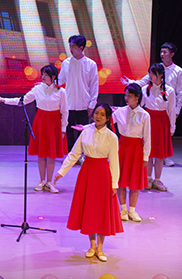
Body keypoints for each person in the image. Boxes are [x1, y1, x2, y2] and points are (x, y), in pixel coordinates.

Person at [54, 103, 122, 263]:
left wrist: (114, 183)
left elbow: (114, 162)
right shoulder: (86, 132)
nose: (98, 117)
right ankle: (92, 246)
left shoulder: (112, 137)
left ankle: (100, 247)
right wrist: (62, 171)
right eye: (96, 113)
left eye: (102, 114)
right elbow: (74, 154)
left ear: (107, 118)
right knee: (90, 210)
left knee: (102, 211)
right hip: (87, 173)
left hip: (103, 175)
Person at [0, 64, 68, 193]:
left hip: (54, 124)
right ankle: (41, 181)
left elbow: (65, 111)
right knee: (41, 153)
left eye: (46, 75)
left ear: (53, 76)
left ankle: (49, 182)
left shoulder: (61, 92)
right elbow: (22, 101)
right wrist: (3, 100)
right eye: (42, 74)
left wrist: (63, 129)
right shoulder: (37, 89)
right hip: (41, 123)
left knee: (51, 154)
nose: (43, 77)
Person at [122, 42, 182, 166]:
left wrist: (177, 109)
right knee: (151, 133)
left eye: (165, 52)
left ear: (172, 54)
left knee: (165, 131)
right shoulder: (156, 68)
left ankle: (165, 156)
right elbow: (143, 82)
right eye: (161, 52)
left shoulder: (178, 71)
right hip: (154, 103)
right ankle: (150, 155)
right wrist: (130, 82)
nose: (162, 54)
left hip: (167, 104)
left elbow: (180, 92)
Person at [112, 83, 151, 223]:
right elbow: (105, 122)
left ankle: (132, 210)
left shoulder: (144, 115)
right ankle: (123, 209)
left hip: (136, 150)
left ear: (137, 97)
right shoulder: (120, 111)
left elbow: (147, 138)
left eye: (129, 96)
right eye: (125, 95)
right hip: (122, 148)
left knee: (134, 182)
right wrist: (85, 127)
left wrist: (146, 156)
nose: (126, 98)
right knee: (121, 181)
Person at [59, 35, 99, 157]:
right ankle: (71, 155)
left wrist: (92, 104)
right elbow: (60, 80)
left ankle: (81, 155)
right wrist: (46, 83)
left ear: (81, 48)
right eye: (70, 46)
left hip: (83, 103)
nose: (71, 49)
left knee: (83, 131)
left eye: (73, 47)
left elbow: (94, 85)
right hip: (69, 103)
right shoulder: (66, 63)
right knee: (69, 131)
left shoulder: (91, 64)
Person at [140, 63, 176, 191]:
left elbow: (171, 110)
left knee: (160, 155)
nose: (150, 76)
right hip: (149, 122)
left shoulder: (169, 91)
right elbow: (140, 108)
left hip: (162, 123)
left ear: (160, 75)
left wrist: (172, 127)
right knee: (148, 153)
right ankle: (148, 178)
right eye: (149, 73)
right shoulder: (145, 89)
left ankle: (157, 180)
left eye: (153, 73)